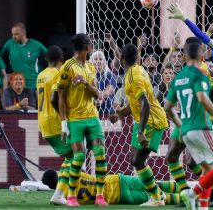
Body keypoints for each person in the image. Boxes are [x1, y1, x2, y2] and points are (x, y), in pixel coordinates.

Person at [165, 36, 213, 210]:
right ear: (203, 57)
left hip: (186, 131)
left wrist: (180, 125)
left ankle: (202, 207)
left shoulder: (178, 77)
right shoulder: (200, 74)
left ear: (184, 57)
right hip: (201, 129)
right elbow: (203, 98)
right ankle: (191, 193)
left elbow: (168, 107)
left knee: (207, 169)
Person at [109, 43, 168, 207]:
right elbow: (137, 103)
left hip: (151, 120)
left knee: (137, 160)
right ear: (137, 58)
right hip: (143, 119)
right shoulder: (138, 70)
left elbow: (146, 104)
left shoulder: (134, 76)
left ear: (121, 59)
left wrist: (141, 131)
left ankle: (156, 197)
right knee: (135, 160)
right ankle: (158, 194)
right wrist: (119, 114)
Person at [57, 33, 108, 207]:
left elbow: (97, 94)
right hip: (75, 120)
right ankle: (71, 196)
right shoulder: (67, 67)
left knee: (100, 155)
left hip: (92, 117)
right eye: (91, 45)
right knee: (78, 157)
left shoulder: (90, 67)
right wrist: (64, 124)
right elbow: (60, 97)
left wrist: (85, 83)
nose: (92, 47)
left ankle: (100, 196)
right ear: (87, 47)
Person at [36, 45, 72, 205]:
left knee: (72, 156)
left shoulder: (40, 75)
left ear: (46, 59)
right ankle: (59, 194)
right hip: (54, 121)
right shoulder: (58, 75)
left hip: (42, 122)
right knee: (75, 156)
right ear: (61, 60)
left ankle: (67, 191)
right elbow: (58, 98)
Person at [41, 169, 183, 206]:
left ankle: (187, 199)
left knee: (164, 199)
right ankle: (190, 189)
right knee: (154, 185)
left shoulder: (66, 198)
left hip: (120, 197)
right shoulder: (72, 174)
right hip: (117, 180)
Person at [0, 22, 47, 90]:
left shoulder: (37, 46)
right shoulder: (9, 44)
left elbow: (51, 57)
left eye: (16, 34)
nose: (13, 37)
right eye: (12, 34)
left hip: (33, 86)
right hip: (17, 87)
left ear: (24, 33)